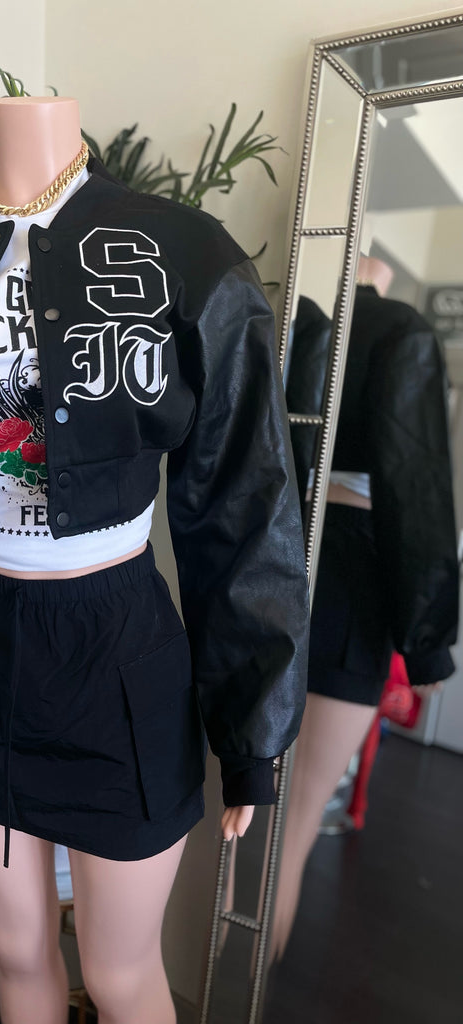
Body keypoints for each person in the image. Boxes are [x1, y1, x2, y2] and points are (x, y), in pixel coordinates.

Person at [0, 94, 309, 1024]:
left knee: (122, 975)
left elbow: (242, 496)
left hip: (118, 646)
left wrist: (252, 733)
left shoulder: (181, 250)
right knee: (16, 952)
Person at [271, 258, 459, 963]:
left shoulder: (298, 327)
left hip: (282, 553)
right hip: (357, 573)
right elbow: (416, 487)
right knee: (295, 823)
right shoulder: (401, 331)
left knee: (242, 808)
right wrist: (428, 642)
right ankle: (237, 998)